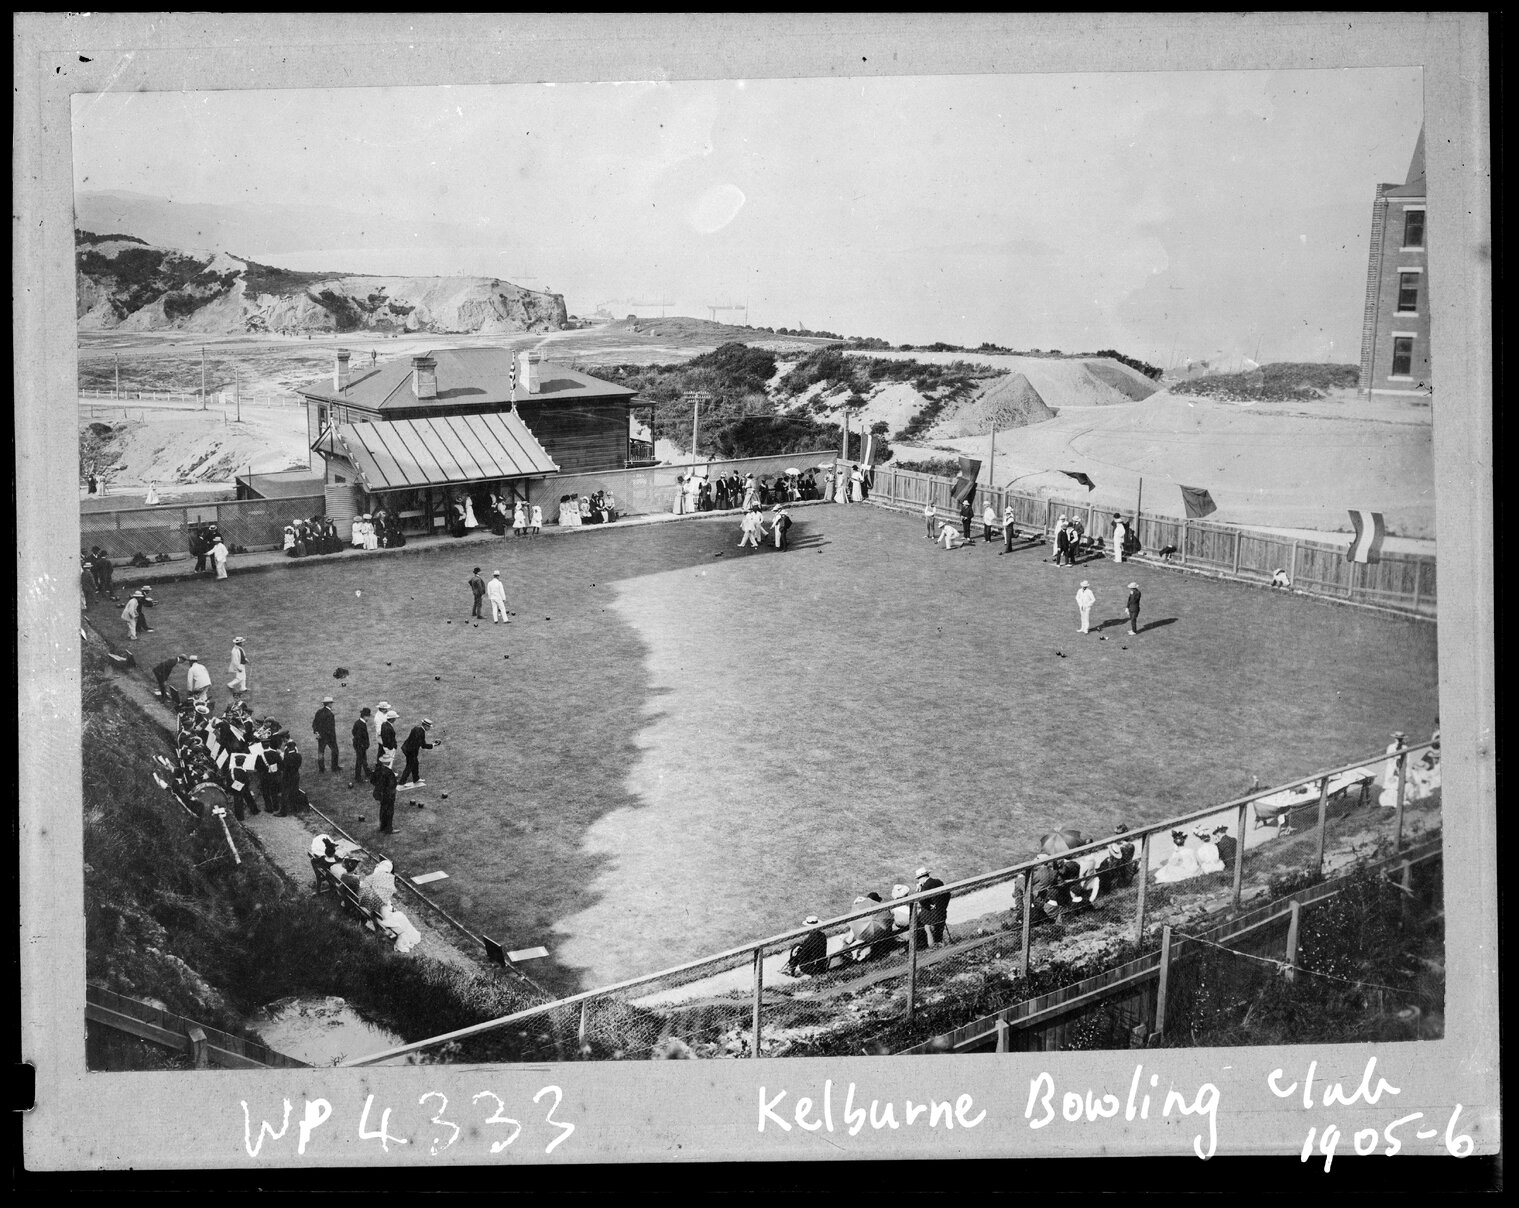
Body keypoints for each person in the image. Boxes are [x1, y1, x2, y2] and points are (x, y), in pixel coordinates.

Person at [913, 867, 951, 948]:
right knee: (939, 932)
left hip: (931, 916)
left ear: (921, 877)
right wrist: (943, 905)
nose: (919, 881)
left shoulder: (925, 886)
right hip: (941, 912)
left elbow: (921, 900)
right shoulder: (938, 882)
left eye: (918, 879)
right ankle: (941, 944)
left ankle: (932, 947)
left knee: (927, 927)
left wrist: (929, 906)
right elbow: (948, 894)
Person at [398, 718, 438, 787]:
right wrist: (433, 745)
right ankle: (402, 782)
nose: (429, 728)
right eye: (429, 727)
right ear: (425, 726)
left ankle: (416, 778)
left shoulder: (416, 728)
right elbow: (423, 745)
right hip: (411, 751)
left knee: (415, 763)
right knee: (409, 766)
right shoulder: (421, 732)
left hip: (406, 748)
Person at [1379, 731, 1409, 807]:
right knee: (1391, 783)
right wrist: (1396, 767)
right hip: (1393, 768)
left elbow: (1407, 759)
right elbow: (1389, 760)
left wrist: (1399, 767)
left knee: (1398, 784)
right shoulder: (1392, 747)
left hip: (1400, 767)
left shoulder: (1404, 747)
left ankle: (1397, 800)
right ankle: (1391, 800)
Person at [373, 749, 399, 833]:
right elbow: (392, 785)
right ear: (389, 762)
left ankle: (382, 826)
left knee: (383, 809)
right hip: (388, 795)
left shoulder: (378, 769)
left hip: (380, 794)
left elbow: (372, 780)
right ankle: (388, 829)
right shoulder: (389, 773)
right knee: (389, 811)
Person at [312, 695, 340, 773]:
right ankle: (334, 767)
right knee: (335, 751)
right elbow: (330, 728)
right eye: (331, 703)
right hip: (329, 737)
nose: (332, 704)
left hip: (321, 736)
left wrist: (316, 732)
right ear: (329, 704)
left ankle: (321, 769)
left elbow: (314, 723)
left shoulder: (319, 712)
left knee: (321, 752)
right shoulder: (330, 714)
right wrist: (333, 737)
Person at [277, 740, 303, 816]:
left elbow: (281, 767)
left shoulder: (286, 757)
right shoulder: (299, 756)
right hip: (296, 775)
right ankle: (295, 809)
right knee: (294, 792)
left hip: (287, 777)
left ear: (288, 748)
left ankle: (283, 812)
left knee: (285, 794)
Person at [350, 707, 373, 787]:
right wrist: (363, 745)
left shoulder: (358, 722)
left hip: (358, 745)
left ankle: (367, 772)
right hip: (360, 746)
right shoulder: (361, 724)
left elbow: (353, 732)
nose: (368, 718)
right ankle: (358, 777)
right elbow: (359, 736)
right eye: (368, 716)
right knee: (360, 761)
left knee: (363, 759)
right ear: (365, 716)